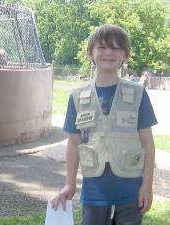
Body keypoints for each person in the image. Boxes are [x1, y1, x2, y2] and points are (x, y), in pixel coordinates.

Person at [51, 24, 157, 225]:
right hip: (94, 192)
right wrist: (69, 184)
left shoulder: (138, 94)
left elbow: (148, 145)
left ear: (125, 55)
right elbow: (73, 144)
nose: (108, 52)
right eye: (102, 47)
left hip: (131, 192)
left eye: (116, 48)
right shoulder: (76, 97)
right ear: (91, 52)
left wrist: (147, 186)